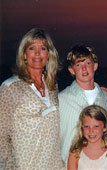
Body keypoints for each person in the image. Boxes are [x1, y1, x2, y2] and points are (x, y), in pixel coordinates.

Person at [0, 28, 65, 169]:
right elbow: (1, 135)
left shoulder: (52, 86)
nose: (37, 53)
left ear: (49, 55)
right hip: (24, 165)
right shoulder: (10, 87)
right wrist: (9, 166)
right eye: (31, 48)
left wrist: (100, 91)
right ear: (24, 54)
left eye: (42, 48)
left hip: (53, 165)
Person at [59, 43, 107, 163]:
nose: (84, 69)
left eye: (88, 63)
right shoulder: (61, 99)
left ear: (95, 66)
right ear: (71, 70)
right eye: (78, 64)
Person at [67, 105, 107, 170]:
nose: (91, 131)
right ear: (82, 127)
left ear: (105, 127)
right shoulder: (75, 154)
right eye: (87, 126)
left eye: (96, 126)